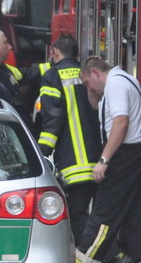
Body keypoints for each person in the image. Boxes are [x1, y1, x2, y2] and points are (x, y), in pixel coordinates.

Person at [75, 56, 141, 263]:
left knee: (102, 220)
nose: (88, 88)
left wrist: (104, 160)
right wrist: (93, 94)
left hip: (123, 157)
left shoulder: (114, 85)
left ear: (95, 72)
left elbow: (121, 122)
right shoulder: (125, 80)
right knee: (140, 224)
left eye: (87, 82)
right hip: (137, 156)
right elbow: (100, 109)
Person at [37, 34, 101, 244]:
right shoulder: (90, 74)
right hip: (100, 158)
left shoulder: (53, 76)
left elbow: (52, 118)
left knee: (77, 217)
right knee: (101, 216)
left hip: (74, 162)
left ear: (54, 52)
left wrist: (41, 153)